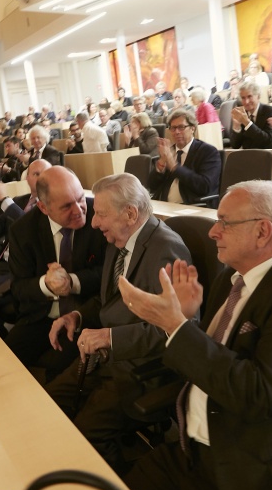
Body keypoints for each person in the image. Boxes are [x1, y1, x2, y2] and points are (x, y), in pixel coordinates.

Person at [118, 180, 272, 490]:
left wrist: (177, 325)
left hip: (253, 464)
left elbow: (257, 394)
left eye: (225, 222)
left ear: (262, 231)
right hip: (193, 448)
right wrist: (186, 322)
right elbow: (211, 364)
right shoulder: (232, 279)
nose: (213, 232)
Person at [45, 172, 191, 474]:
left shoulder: (166, 249)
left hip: (143, 369)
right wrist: (77, 315)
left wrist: (110, 338)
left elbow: (176, 330)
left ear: (130, 213)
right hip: (106, 358)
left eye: (100, 214)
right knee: (49, 403)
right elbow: (108, 301)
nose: (94, 223)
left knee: (88, 433)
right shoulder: (118, 239)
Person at [5, 166, 107, 379]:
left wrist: (72, 282)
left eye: (80, 198)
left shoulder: (100, 215)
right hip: (41, 316)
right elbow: (19, 287)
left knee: (57, 376)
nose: (79, 211)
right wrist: (46, 284)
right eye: (67, 206)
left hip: (84, 315)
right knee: (6, 361)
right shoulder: (23, 230)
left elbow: (110, 274)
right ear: (43, 207)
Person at [0, 159, 51, 339]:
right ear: (27, 179)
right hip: (0, 264)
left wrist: (5, 200)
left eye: (46, 173)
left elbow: (30, 229)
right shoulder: (20, 201)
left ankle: (2, 343)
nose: (42, 178)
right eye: (36, 174)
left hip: (21, 271)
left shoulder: (50, 206)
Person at [147, 109, 222, 204]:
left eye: (181, 127)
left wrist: (174, 166)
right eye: (173, 128)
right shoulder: (169, 150)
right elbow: (152, 186)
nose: (176, 132)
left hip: (193, 206)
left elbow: (204, 186)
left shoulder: (208, 152)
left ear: (192, 128)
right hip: (165, 205)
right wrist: (161, 163)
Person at [229, 81, 272, 149]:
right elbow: (235, 146)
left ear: (258, 96)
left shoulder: (271, 112)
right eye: (243, 98)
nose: (246, 102)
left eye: (249, 96)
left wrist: (247, 123)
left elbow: (266, 140)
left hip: (269, 156)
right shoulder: (242, 114)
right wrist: (236, 126)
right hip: (250, 157)